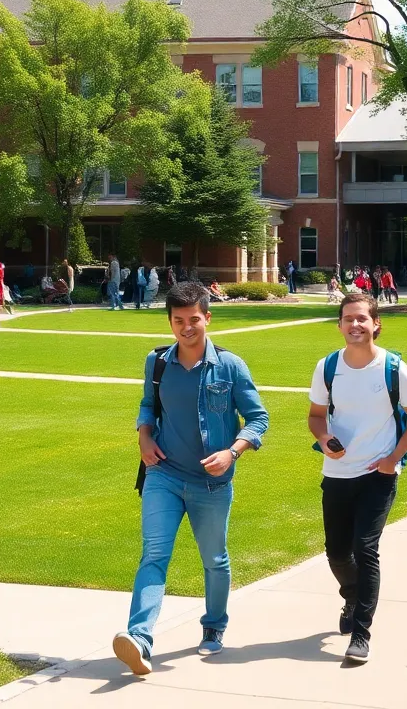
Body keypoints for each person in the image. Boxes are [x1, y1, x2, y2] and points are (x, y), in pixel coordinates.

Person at [113, 282, 269, 675]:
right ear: (169, 321)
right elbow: (148, 406)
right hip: (162, 476)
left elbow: (258, 419)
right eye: (178, 320)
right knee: (153, 554)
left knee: (214, 560)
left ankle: (214, 626)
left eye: (194, 320)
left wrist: (233, 451)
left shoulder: (231, 366)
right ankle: (139, 639)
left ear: (207, 318)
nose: (186, 328)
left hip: (212, 485)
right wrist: (144, 438)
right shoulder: (158, 362)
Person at [308, 292, 407, 663]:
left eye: (362, 318)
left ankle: (361, 632)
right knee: (337, 553)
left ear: (376, 323)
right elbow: (315, 415)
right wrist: (325, 438)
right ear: (340, 324)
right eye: (348, 319)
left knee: (365, 548)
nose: (355, 325)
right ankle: (354, 596)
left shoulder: (393, 368)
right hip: (337, 473)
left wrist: (393, 458)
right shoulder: (327, 366)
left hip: (379, 473)